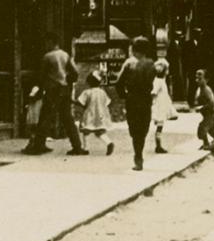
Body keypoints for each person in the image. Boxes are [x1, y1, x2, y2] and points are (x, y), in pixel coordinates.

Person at [23, 40, 88, 156]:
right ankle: (77, 147)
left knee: (45, 117)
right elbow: (75, 72)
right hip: (65, 89)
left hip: (52, 89)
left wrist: (39, 89)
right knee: (68, 119)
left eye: (46, 43)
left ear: (51, 43)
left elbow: (42, 75)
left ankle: (38, 145)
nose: (45, 45)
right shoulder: (65, 55)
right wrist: (67, 82)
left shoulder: (47, 56)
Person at [114, 37, 159, 171]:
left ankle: (137, 155)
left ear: (133, 49)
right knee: (143, 127)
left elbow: (119, 83)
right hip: (145, 99)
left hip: (132, 98)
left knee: (134, 128)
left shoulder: (129, 63)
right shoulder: (152, 63)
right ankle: (139, 153)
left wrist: (124, 95)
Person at [75, 72, 115, 156]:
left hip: (90, 114)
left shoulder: (87, 92)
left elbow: (81, 102)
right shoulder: (102, 92)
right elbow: (107, 102)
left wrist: (72, 101)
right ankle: (109, 142)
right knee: (100, 132)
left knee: (85, 130)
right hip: (101, 115)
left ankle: (85, 148)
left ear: (89, 82)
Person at [193, 68, 214, 156]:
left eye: (200, 78)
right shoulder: (199, 89)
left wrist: (201, 108)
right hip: (206, 113)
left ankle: (208, 145)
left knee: (202, 128)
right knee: (212, 130)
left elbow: (211, 103)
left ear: (206, 80)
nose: (197, 80)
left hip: (211, 113)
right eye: (196, 78)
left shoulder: (206, 90)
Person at [151, 58, 179, 153]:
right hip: (160, 106)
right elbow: (153, 92)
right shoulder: (158, 81)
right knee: (160, 125)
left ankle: (158, 145)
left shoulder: (161, 80)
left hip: (162, 105)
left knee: (160, 125)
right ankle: (158, 146)